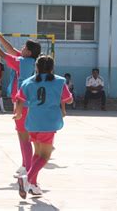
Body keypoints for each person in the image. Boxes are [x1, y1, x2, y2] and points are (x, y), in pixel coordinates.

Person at [0, 22, 41, 178]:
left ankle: (28, 172)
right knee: (23, 136)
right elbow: (9, 48)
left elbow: (3, 55)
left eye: (24, 47)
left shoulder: (23, 62)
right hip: (24, 102)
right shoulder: (27, 60)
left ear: (28, 52)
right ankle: (25, 165)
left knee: (24, 137)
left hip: (24, 103)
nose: (21, 48)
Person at [14, 55, 73, 198]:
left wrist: (19, 113)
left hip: (33, 122)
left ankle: (32, 184)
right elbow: (69, 100)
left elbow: (19, 99)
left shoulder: (28, 82)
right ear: (52, 68)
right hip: (49, 122)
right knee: (45, 156)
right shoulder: (59, 81)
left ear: (37, 67)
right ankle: (26, 178)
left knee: (37, 154)